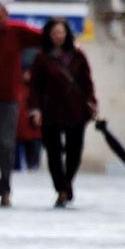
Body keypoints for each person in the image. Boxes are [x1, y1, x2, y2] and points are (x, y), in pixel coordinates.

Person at [0, 3, 42, 206]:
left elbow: (43, 38)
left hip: (9, 99)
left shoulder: (16, 31)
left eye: (3, 17)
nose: (0, 21)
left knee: (6, 145)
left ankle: (4, 189)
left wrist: (66, 44)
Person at [27, 18, 96, 208]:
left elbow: (87, 82)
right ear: (49, 35)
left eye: (62, 32)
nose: (59, 36)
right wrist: (35, 109)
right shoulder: (42, 57)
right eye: (55, 32)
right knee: (53, 153)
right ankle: (61, 188)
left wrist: (92, 102)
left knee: (74, 151)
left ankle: (67, 182)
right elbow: (35, 86)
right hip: (51, 111)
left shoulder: (78, 55)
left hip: (76, 110)